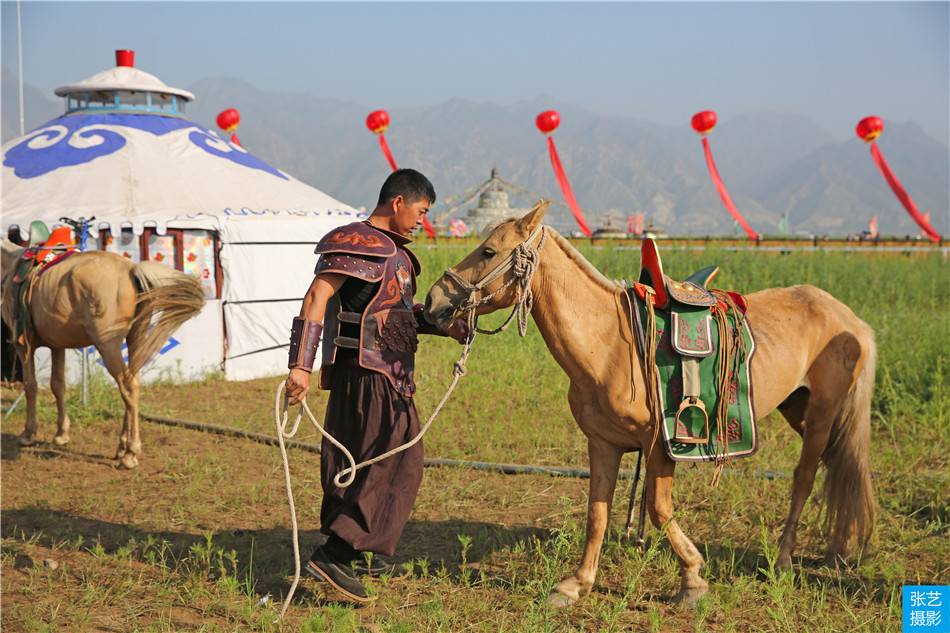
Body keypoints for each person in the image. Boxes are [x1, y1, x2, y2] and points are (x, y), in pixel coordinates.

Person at [284, 168, 466, 602]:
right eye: (421, 210)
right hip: (367, 374)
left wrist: (449, 327)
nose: (423, 219)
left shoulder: (401, 257)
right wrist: (301, 366)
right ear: (398, 202)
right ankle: (337, 553)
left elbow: (399, 315)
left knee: (366, 461)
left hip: (388, 374)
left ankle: (360, 546)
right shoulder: (355, 242)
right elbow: (316, 298)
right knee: (397, 459)